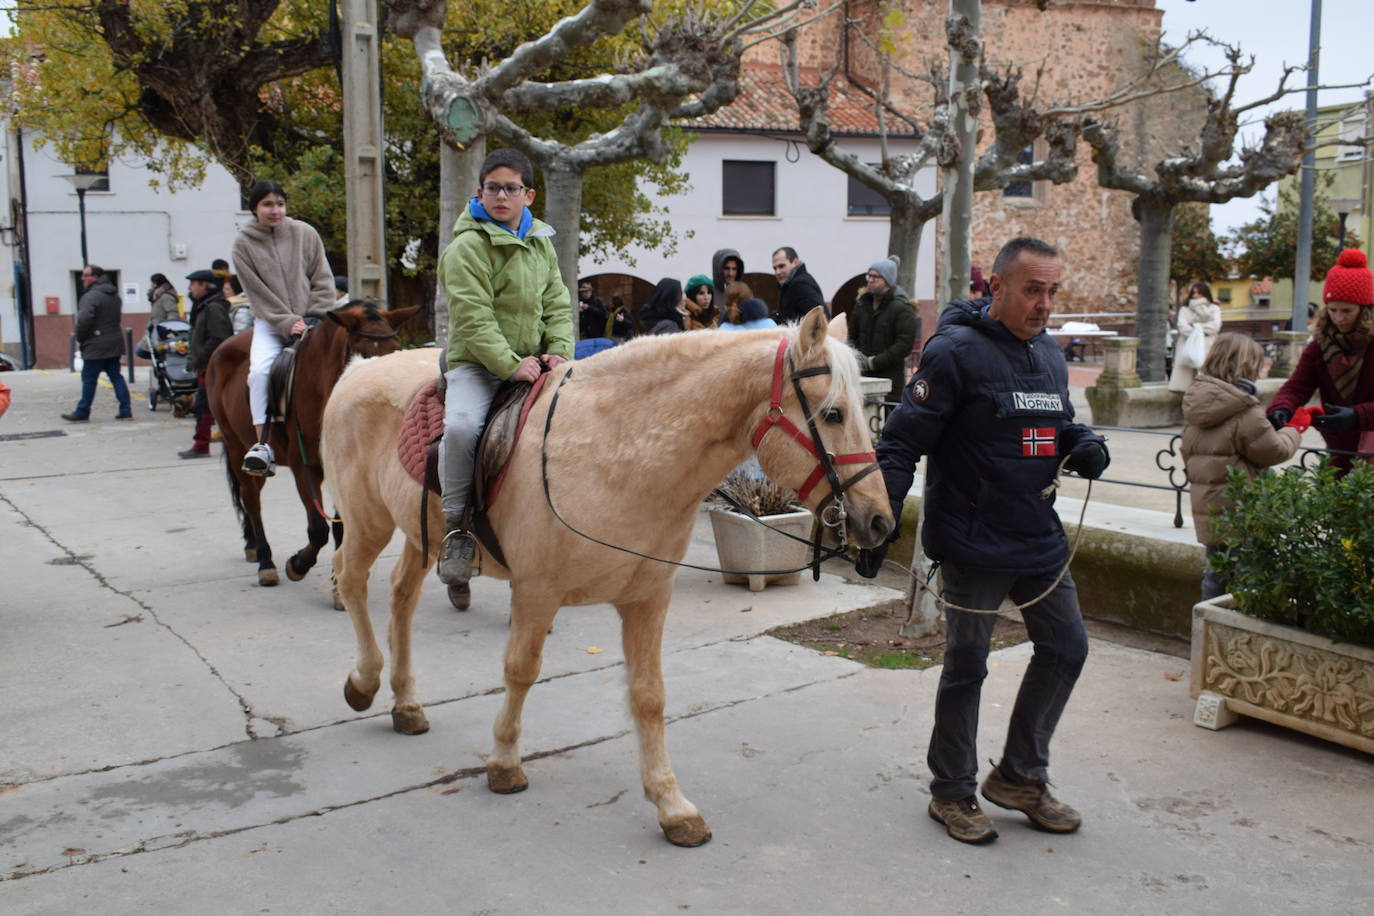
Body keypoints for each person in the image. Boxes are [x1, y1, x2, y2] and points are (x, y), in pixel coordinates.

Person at [855, 237, 1109, 845]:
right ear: (996, 287)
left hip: (1036, 535)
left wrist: (1082, 441)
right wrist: (878, 520)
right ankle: (952, 792)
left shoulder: (1047, 352)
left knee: (1067, 648)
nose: (1044, 304)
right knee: (967, 667)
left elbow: (1053, 421)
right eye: (1032, 290)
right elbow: (901, 444)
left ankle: (1021, 775)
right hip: (971, 539)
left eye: (1052, 291)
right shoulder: (954, 353)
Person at [437, 148, 574, 590]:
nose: (501, 195)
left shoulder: (541, 244)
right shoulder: (466, 248)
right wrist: (509, 365)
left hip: (534, 364)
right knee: (460, 428)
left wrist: (558, 351)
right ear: (480, 192)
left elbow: (557, 303)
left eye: (511, 188)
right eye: (493, 188)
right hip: (478, 365)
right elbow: (474, 318)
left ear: (528, 195)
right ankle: (456, 528)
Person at [1181, 333, 1302, 600]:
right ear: (1248, 366)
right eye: (1259, 364)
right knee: (1248, 576)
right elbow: (1274, 451)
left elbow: (1187, 453)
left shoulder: (1196, 404)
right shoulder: (1244, 409)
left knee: (1215, 574)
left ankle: (1206, 631)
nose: (1261, 371)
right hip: (1240, 508)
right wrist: (1295, 429)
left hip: (1208, 506)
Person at [231, 179, 337, 476]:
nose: (275, 210)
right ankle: (262, 444)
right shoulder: (243, 244)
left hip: (314, 318)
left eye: (279, 203)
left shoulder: (305, 233)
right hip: (271, 322)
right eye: (267, 204)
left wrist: (316, 314)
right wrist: (287, 322)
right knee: (260, 372)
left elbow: (322, 277)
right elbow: (256, 293)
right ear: (254, 208)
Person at [1267, 248, 1374, 474]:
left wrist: (1357, 415)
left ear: (1366, 310)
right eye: (1333, 310)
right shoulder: (1320, 345)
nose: (1338, 318)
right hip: (1340, 449)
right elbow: (1297, 386)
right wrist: (1282, 408)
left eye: (1347, 310)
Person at [62, 265, 133, 422]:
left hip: (96, 343)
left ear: (95, 277)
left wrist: (81, 338)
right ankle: (126, 409)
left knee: (88, 378)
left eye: (86, 275)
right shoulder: (114, 295)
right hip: (114, 342)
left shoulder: (91, 296)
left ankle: (82, 411)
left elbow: (84, 320)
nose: (82, 279)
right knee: (116, 376)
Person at [178, 269, 234, 460]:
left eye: (193, 283)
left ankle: (201, 446)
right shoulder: (203, 305)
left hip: (211, 366)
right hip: (205, 365)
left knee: (205, 406)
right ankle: (201, 444)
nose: (189, 287)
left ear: (204, 285)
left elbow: (219, 338)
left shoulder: (213, 307)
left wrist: (200, 358)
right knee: (205, 406)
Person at [849, 255, 918, 403]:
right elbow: (852, 336)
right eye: (869, 276)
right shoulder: (861, 305)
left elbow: (904, 345)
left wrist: (875, 362)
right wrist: (856, 359)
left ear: (887, 281)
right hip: (861, 377)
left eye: (876, 277)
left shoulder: (902, 308)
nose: (870, 280)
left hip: (890, 381)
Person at [1167, 281, 1223, 393]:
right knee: (1185, 373)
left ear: (1205, 294)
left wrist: (1196, 328)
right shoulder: (1185, 309)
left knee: (1207, 370)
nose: (1195, 296)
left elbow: (1215, 326)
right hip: (1187, 343)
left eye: (1199, 293)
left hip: (1208, 343)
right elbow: (1182, 327)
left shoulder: (1214, 308)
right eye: (1193, 293)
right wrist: (1200, 330)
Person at [772, 246, 826, 323]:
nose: (777, 272)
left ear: (795, 262)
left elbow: (821, 316)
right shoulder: (789, 284)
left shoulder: (800, 285)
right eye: (775, 268)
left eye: (781, 266)